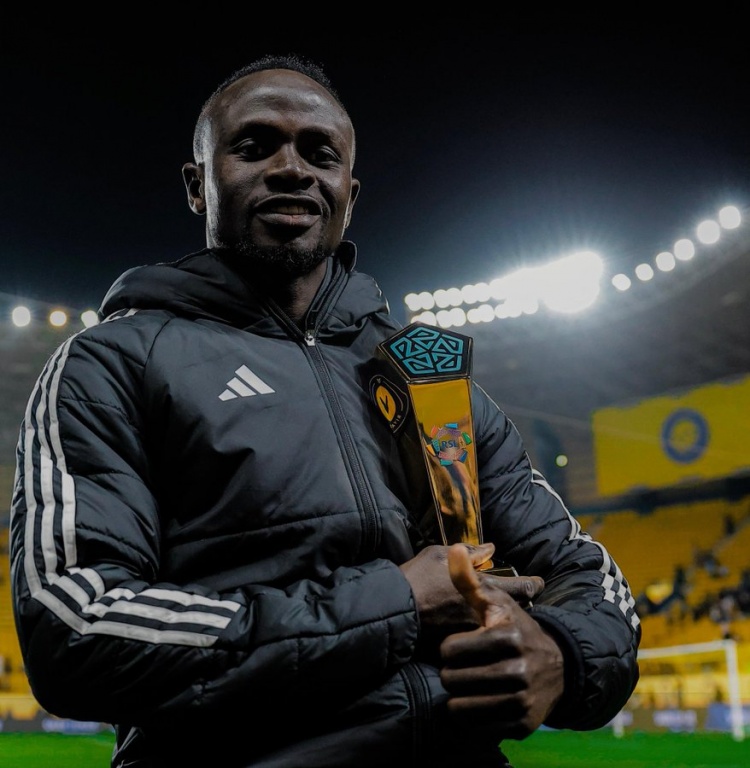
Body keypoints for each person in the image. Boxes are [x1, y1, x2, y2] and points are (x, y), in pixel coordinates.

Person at [9, 54, 641, 767]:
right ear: (196, 185)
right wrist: (397, 602)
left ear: (349, 191)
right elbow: (74, 627)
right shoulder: (111, 363)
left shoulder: (427, 375)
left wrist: (561, 653)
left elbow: (585, 574)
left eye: (320, 153)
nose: (292, 169)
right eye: (255, 146)